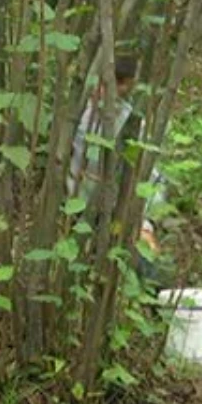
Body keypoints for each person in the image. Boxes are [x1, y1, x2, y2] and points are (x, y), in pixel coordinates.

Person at [67, 56, 168, 279]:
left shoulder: (131, 124)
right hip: (75, 207)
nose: (104, 91)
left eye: (116, 84)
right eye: (102, 83)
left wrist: (145, 224)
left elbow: (151, 179)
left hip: (116, 210)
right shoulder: (73, 115)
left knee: (147, 260)